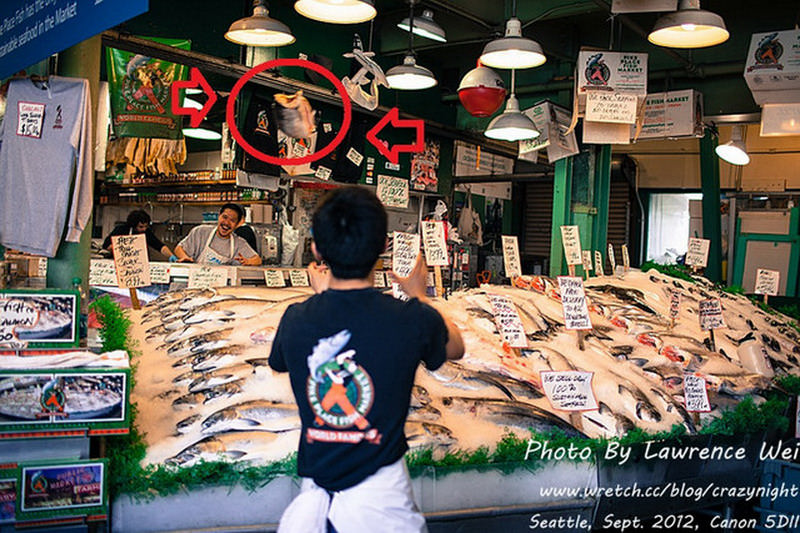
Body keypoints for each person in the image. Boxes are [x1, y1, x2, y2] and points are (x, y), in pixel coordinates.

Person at [268, 186, 464, 533]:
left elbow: (280, 362)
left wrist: (323, 298)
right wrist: (420, 296)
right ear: (381, 249)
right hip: (384, 505)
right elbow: (456, 348)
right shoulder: (410, 318)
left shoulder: (296, 318)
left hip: (314, 499)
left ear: (316, 249)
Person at [173, 203, 262, 265]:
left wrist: (248, 261)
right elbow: (178, 248)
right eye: (225, 217)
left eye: (232, 220)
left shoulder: (239, 243)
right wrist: (184, 257)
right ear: (219, 215)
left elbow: (257, 260)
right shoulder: (200, 232)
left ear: (237, 224)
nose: (226, 223)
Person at [102, 209, 175, 260]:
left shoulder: (146, 233)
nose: (144, 229)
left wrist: (171, 256)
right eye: (141, 227)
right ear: (133, 225)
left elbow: (160, 246)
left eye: (146, 226)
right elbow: (106, 245)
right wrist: (123, 247)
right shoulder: (121, 230)